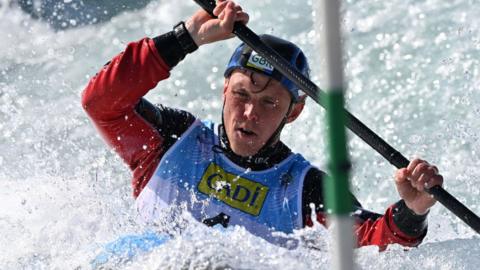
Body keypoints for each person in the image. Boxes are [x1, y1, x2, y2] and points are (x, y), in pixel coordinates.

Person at [82, 0, 443, 249]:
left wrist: (413, 211)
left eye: (269, 103)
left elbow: (372, 242)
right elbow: (101, 102)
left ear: (294, 112)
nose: (250, 113)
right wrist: (187, 36)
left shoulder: (308, 191)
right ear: (224, 89)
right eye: (241, 95)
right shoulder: (170, 141)